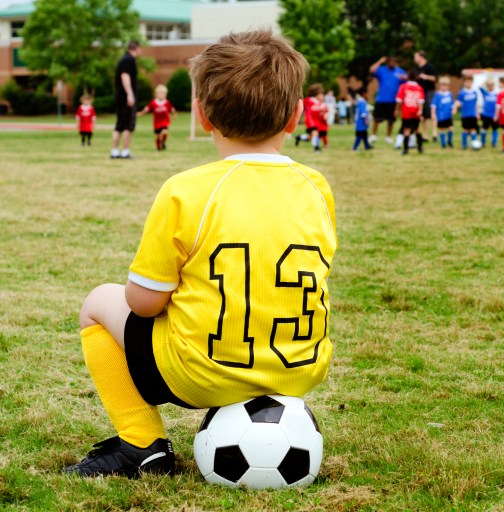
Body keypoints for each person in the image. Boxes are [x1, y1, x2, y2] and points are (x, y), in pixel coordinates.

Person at [64, 29, 338, 478]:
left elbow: (143, 303)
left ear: (203, 116)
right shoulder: (317, 187)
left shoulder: (186, 190)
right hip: (299, 370)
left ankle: (140, 443)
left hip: (201, 374)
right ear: (296, 117)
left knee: (98, 302)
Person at [111, 41, 141, 159]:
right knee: (128, 125)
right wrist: (130, 94)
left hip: (120, 98)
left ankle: (114, 151)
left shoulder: (123, 59)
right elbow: (125, 76)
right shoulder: (129, 60)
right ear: (136, 48)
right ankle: (125, 151)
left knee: (119, 125)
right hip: (126, 99)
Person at [369, 56, 406, 144]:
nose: (392, 64)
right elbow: (371, 70)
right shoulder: (381, 70)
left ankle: (388, 136)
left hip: (393, 100)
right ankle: (373, 135)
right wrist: (380, 61)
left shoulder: (399, 71)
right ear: (387, 62)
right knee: (376, 119)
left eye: (394, 62)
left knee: (391, 120)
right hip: (381, 99)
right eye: (390, 62)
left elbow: (406, 80)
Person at [137, 84, 176, 151]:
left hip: (165, 121)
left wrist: (174, 115)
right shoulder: (153, 102)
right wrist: (140, 113)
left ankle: (163, 142)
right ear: (156, 94)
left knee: (164, 132)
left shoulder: (166, 102)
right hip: (157, 122)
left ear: (165, 94)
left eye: (163, 93)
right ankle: (159, 144)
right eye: (159, 93)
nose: (161, 94)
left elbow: (172, 109)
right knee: (158, 136)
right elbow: (147, 109)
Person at [395, 69, 425, 155]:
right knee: (417, 129)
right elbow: (421, 101)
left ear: (407, 77)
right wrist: (420, 110)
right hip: (416, 112)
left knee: (406, 130)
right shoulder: (419, 88)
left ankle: (405, 149)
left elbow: (399, 100)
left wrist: (397, 110)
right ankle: (420, 147)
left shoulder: (403, 87)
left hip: (407, 112)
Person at [414, 50, 437, 142]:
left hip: (429, 92)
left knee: (432, 114)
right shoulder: (416, 68)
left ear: (421, 57)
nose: (414, 59)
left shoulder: (429, 67)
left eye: (415, 57)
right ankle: (425, 135)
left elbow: (435, 78)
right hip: (419, 93)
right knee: (422, 115)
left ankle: (434, 134)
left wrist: (426, 77)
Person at [455, 75, 480, 150]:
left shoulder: (474, 92)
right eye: (467, 82)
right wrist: (456, 107)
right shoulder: (461, 92)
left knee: (473, 129)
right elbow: (458, 102)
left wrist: (477, 113)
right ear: (464, 83)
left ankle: (474, 144)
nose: (468, 83)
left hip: (473, 114)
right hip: (465, 115)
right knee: (465, 129)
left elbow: (476, 104)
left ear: (472, 82)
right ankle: (464, 145)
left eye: (470, 81)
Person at [295, 83, 322, 149]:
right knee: (315, 133)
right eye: (320, 93)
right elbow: (300, 104)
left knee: (310, 137)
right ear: (316, 93)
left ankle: (299, 137)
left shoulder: (317, 102)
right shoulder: (309, 100)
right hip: (310, 121)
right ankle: (316, 149)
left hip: (315, 121)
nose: (321, 95)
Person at [431, 76, 455, 149]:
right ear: (440, 85)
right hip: (441, 116)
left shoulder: (449, 94)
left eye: (446, 85)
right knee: (442, 129)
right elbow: (433, 105)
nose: (444, 87)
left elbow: (452, 104)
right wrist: (433, 114)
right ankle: (443, 143)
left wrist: (453, 109)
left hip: (448, 115)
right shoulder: (437, 95)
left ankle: (449, 141)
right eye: (442, 85)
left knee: (450, 128)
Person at [479, 78, 499, 148]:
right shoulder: (485, 93)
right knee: (484, 129)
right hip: (486, 115)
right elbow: (480, 86)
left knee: (494, 129)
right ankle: (482, 142)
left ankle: (494, 143)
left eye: (491, 85)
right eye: (489, 85)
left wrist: (496, 115)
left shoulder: (497, 94)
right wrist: (486, 80)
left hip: (494, 115)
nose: (490, 87)